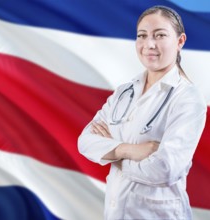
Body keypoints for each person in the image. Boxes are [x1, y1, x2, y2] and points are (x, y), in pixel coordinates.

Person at [77, 5, 207, 220]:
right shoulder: (124, 92)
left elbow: (164, 169)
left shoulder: (188, 98)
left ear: (180, 41)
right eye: (142, 36)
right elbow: (85, 141)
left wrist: (111, 155)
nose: (149, 44)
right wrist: (129, 150)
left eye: (160, 35)